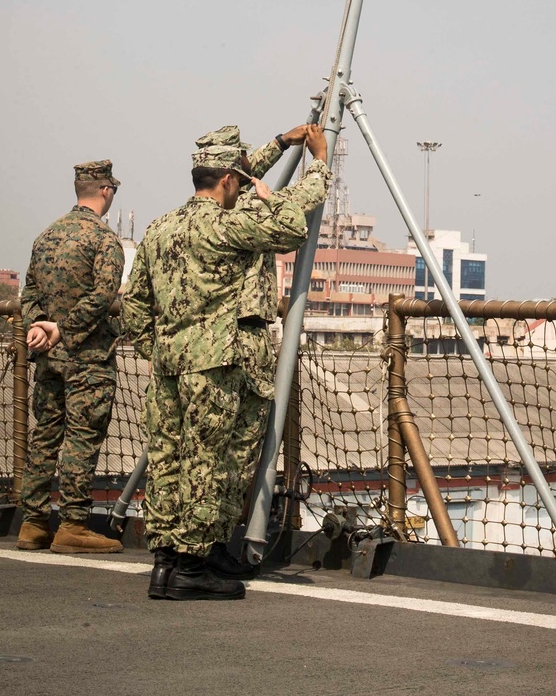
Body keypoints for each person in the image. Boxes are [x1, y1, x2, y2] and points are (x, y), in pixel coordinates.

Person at [123, 121, 329, 602]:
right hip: (221, 365)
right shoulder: (230, 224)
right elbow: (291, 225)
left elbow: (133, 306)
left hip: (170, 366)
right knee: (211, 464)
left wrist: (280, 144)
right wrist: (317, 162)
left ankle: (170, 561)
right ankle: (192, 569)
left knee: (169, 460)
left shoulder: (160, 228)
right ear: (230, 182)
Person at [17, 159, 126, 554]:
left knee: (45, 435)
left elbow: (28, 292)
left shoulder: (46, 236)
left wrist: (38, 325)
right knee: (82, 438)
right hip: (88, 359)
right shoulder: (103, 240)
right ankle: (73, 525)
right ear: (106, 191)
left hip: (47, 358)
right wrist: (64, 330)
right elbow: (103, 297)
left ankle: (32, 523)